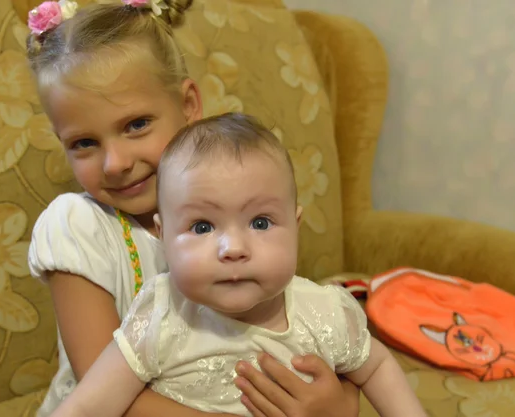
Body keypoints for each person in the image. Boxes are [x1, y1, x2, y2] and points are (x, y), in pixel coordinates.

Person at [26, 1, 361, 416]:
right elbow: (107, 396)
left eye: (136, 125)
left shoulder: (229, 192)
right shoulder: (77, 226)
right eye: (84, 143)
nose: (116, 162)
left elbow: (300, 328)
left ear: (187, 105)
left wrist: (339, 404)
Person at [48, 113, 427, 417]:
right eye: (202, 227)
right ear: (163, 236)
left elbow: (377, 368)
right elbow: (88, 406)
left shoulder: (325, 313)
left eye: (260, 223)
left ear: (295, 227)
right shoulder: (161, 316)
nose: (232, 248)